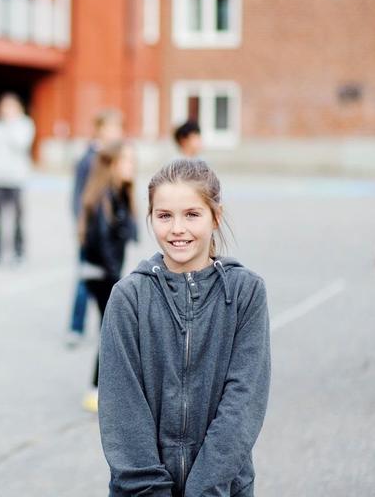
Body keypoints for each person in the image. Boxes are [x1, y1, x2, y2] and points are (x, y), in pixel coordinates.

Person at [98, 159, 270, 496]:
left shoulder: (246, 292)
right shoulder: (128, 297)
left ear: (215, 217)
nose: (177, 228)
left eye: (192, 214)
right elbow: (122, 412)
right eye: (164, 216)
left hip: (222, 489)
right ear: (150, 219)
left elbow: (243, 403)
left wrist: (205, 489)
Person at [78, 142, 137, 413]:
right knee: (111, 330)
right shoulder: (103, 197)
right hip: (100, 274)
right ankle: (95, 389)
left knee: (113, 330)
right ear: (112, 164)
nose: (131, 166)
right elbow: (102, 243)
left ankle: (106, 388)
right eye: (126, 161)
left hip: (108, 273)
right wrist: (118, 283)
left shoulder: (120, 193)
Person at [68, 109, 123, 348]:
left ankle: (107, 326)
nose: (116, 133)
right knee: (86, 279)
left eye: (118, 128)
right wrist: (81, 226)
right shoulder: (88, 158)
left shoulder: (115, 156)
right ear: (100, 130)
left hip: (106, 233)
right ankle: (75, 327)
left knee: (106, 279)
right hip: (91, 233)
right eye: (111, 128)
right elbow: (79, 196)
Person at [0, 93, 35, 265]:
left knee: (18, 218)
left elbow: (20, 144)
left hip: (16, 179)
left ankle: (18, 252)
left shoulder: (25, 125)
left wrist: (11, 124)